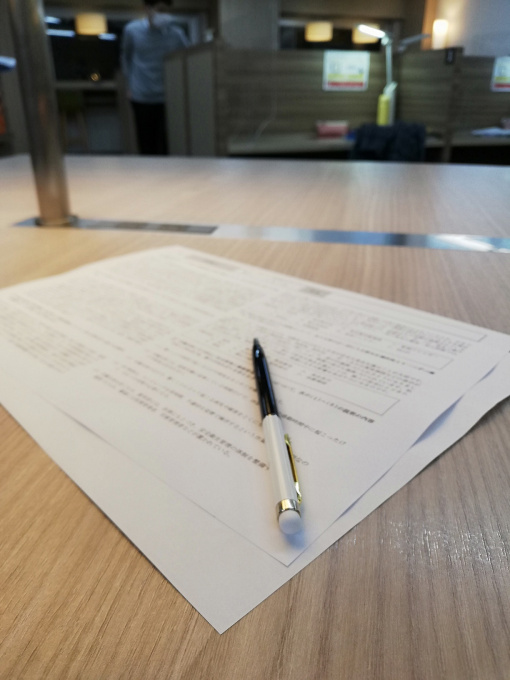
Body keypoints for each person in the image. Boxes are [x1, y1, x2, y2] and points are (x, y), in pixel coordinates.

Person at [121, 0, 189, 155]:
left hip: (169, 97)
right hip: (141, 95)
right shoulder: (132, 30)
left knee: (169, 143)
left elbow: (188, 57)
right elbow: (126, 58)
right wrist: (129, 86)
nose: (164, 15)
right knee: (146, 143)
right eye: (160, 10)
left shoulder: (176, 34)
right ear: (147, 9)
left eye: (167, 11)